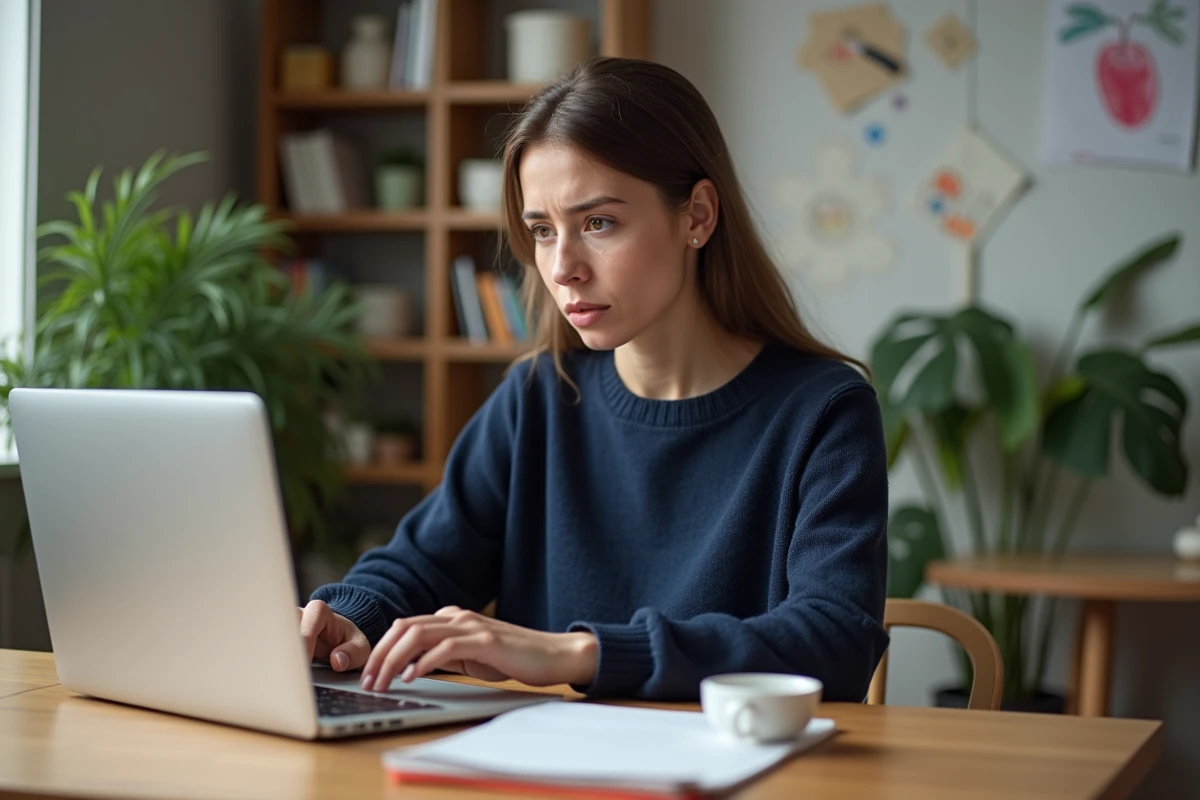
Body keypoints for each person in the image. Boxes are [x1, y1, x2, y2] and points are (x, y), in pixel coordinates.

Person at [299, 57, 889, 702]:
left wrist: (579, 654)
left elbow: (834, 641)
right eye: (543, 231)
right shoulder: (539, 396)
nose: (563, 267)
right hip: (545, 765)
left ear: (697, 216)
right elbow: (423, 561)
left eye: (598, 223)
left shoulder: (824, 411)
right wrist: (347, 616)